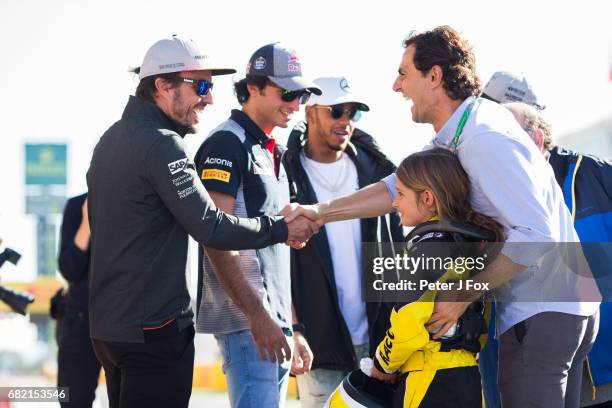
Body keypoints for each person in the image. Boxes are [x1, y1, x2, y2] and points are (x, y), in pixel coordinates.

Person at [282, 26, 600, 407]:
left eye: (404, 73)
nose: (396, 86)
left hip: (544, 308)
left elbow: (538, 233)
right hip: (558, 305)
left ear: (434, 76)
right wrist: (319, 212)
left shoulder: (483, 137)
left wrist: (463, 293)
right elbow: (395, 187)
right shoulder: (460, 132)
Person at [86, 35, 318, 408]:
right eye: (202, 86)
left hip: (110, 331)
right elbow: (210, 225)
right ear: (162, 86)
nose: (210, 98)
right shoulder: (162, 144)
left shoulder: (109, 140)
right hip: (154, 331)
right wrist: (279, 228)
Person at [194, 43, 321, 408]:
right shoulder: (225, 143)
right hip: (247, 324)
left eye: (301, 94)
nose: (296, 103)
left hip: (270, 324)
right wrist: (258, 317)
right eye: (287, 92)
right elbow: (214, 237)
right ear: (253, 87)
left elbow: (276, 254)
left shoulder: (272, 150)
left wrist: (292, 327)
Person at [282, 76, 404, 407]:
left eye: (353, 113)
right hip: (318, 346)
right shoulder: (284, 173)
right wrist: (293, 330)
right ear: (310, 113)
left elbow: (401, 253)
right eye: (336, 111)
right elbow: (275, 266)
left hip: (382, 344)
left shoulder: (379, 172)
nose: (345, 121)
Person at [368, 148, 503, 408]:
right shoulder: (469, 241)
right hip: (467, 377)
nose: (395, 203)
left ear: (427, 198)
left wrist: (382, 363)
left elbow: (407, 320)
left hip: (428, 379)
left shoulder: (430, 245)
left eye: (402, 194)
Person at [505, 101, 612, 408]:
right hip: (547, 370)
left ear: (536, 139)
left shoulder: (596, 175)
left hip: (604, 362)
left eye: (506, 135)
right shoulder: (495, 194)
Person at [57, 193, 101, 407]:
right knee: (73, 399)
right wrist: (86, 223)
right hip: (81, 318)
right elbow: (69, 269)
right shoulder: (76, 206)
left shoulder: (131, 202)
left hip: (124, 316)